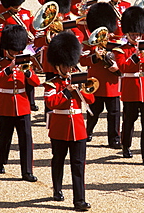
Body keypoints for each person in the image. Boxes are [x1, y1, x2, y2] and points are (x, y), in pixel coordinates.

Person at [43, 31, 94, 211]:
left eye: (70, 65)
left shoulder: (78, 79)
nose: (68, 69)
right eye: (65, 66)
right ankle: (57, 189)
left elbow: (91, 100)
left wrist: (81, 89)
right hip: (60, 128)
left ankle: (79, 200)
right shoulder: (52, 84)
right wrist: (66, 91)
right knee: (58, 160)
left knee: (78, 165)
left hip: (78, 128)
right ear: (58, 66)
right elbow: (50, 102)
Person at [0, 24, 40, 182]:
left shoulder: (25, 62)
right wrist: (8, 69)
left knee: (26, 139)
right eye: (14, 50)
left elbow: (36, 82)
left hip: (23, 105)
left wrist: (27, 72)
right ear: (7, 48)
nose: (17, 53)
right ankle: (0, 162)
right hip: (5, 105)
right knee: (4, 137)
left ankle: (27, 171)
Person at [114, 6, 144, 166]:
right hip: (130, 90)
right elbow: (122, 67)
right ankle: (126, 145)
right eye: (133, 34)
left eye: (138, 34)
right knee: (129, 121)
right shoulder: (121, 49)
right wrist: (135, 56)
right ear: (127, 33)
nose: (136, 37)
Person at [79, 2, 122, 147]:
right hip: (96, 81)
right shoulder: (89, 44)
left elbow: (122, 59)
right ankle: (88, 132)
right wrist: (95, 57)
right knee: (94, 111)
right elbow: (83, 61)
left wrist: (116, 66)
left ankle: (114, 138)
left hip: (112, 82)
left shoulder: (116, 42)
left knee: (114, 113)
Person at [0, 0, 38, 111]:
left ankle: (30, 101)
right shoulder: (2, 17)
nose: (18, 7)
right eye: (15, 4)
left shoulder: (26, 13)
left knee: (28, 75)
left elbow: (33, 29)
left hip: (26, 49)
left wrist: (33, 38)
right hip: (11, 50)